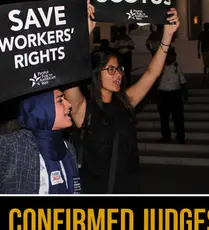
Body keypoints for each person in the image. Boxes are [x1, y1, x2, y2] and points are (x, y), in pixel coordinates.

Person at [64, 8, 180, 194]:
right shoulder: (83, 109)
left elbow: (152, 73)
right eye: (111, 70)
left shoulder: (125, 101)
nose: (118, 74)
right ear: (95, 74)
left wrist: (167, 35)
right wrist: (81, 34)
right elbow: (68, 75)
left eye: (119, 69)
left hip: (129, 189)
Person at [0, 1, 95, 194]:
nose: (69, 103)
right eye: (60, 100)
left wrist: (81, 33)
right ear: (41, 109)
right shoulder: (12, 147)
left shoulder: (67, 147)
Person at [157, 46, 187, 144]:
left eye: (174, 57)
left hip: (175, 95)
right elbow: (154, 82)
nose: (173, 58)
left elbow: (183, 82)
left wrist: (185, 94)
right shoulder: (159, 68)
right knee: (164, 118)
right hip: (163, 95)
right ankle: (166, 136)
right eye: (171, 56)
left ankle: (181, 137)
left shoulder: (176, 67)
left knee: (178, 118)